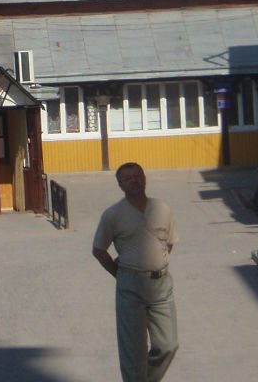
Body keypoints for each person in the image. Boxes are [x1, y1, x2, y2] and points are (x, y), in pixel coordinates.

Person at [92, 162, 178, 382]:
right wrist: (119, 274)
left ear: (145, 178)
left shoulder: (161, 208)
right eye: (128, 178)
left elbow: (169, 242)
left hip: (161, 286)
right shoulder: (113, 214)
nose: (135, 180)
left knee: (168, 345)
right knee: (134, 350)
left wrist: (158, 262)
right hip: (131, 286)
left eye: (138, 176)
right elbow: (99, 250)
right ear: (120, 185)